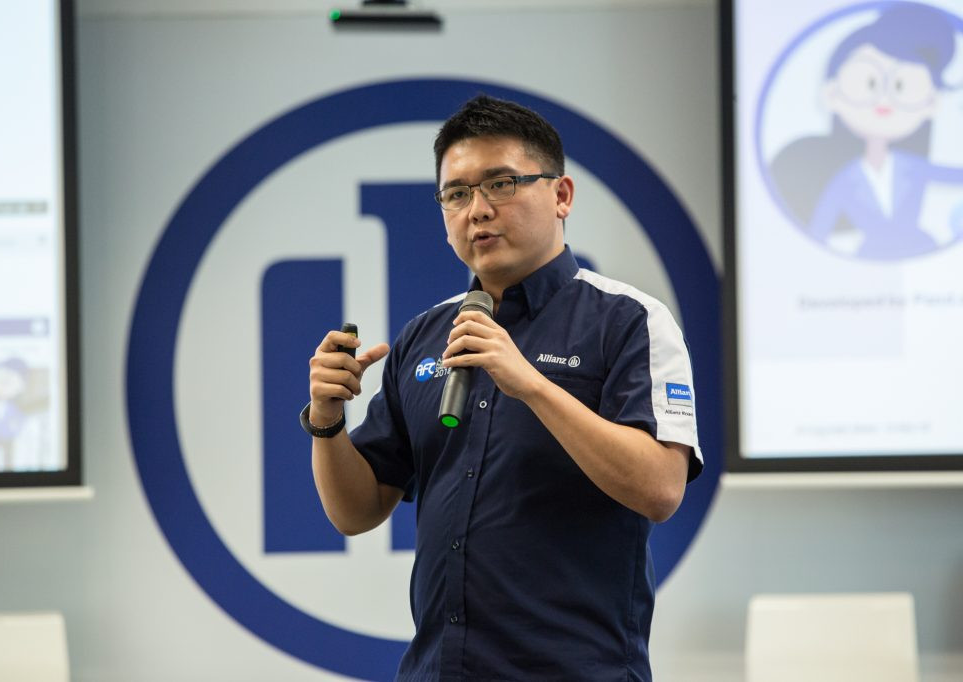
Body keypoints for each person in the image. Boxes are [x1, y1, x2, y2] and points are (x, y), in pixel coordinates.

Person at [303, 95, 702, 681]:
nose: (478, 210)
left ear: (562, 195)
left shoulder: (628, 320)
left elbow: (660, 489)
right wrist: (327, 418)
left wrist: (533, 386)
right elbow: (355, 512)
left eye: (502, 183)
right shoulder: (424, 335)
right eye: (456, 194)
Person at [771, 4, 963, 259]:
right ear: (831, 94)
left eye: (901, 86)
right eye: (869, 83)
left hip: (925, 260)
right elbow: (818, 231)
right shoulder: (844, 179)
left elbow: (953, 177)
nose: (884, 99)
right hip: (862, 263)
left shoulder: (911, 167)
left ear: (931, 102)